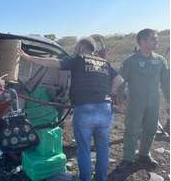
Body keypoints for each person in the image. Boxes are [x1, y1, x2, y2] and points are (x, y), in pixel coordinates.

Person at [19, 38, 123, 181]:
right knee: (103, 148)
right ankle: (101, 178)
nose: (75, 49)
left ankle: (85, 179)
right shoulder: (105, 63)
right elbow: (119, 80)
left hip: (85, 109)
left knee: (84, 148)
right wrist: (111, 93)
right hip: (105, 109)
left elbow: (55, 63)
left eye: (76, 47)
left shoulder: (78, 59)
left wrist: (28, 57)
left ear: (81, 47)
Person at [119, 29, 170, 168]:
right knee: (132, 130)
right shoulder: (130, 61)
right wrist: (119, 99)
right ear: (142, 41)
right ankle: (128, 158)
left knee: (151, 129)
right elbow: (121, 81)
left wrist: (168, 100)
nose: (156, 41)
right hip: (135, 102)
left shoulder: (160, 60)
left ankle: (144, 154)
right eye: (153, 38)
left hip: (154, 102)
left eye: (157, 38)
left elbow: (166, 82)